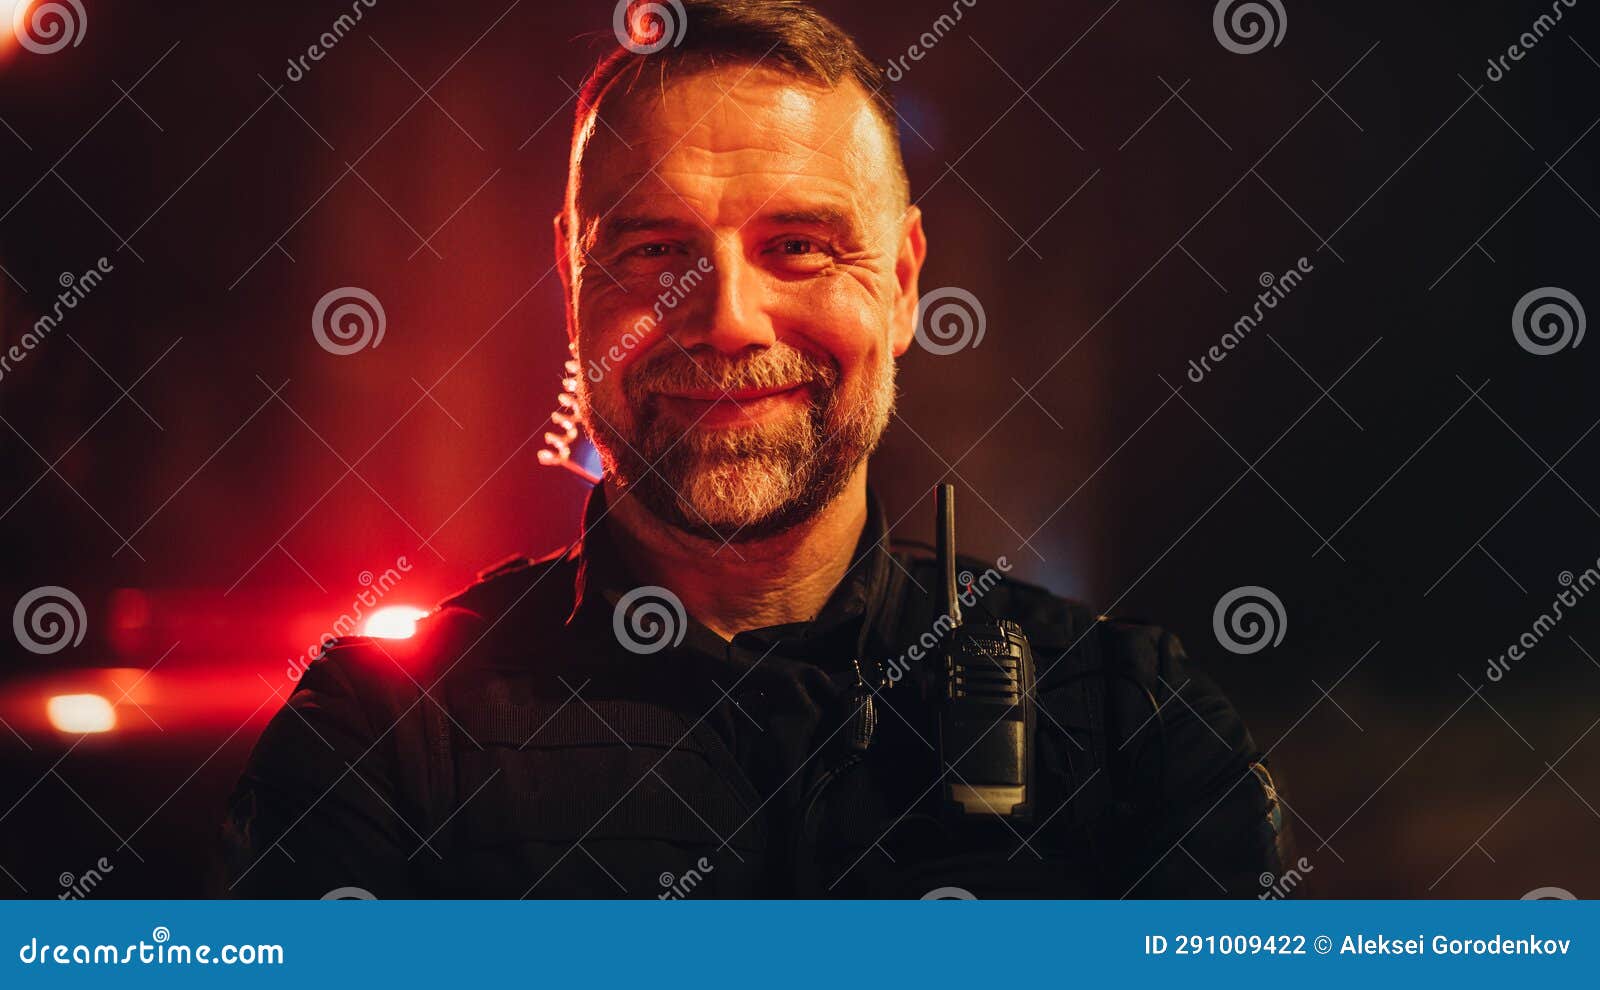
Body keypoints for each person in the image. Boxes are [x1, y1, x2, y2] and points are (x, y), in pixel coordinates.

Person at [222, 0, 1285, 898]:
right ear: (572, 283)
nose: (725, 316)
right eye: (653, 250)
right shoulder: (380, 747)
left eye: (798, 247)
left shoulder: (1129, 725)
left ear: (906, 281)